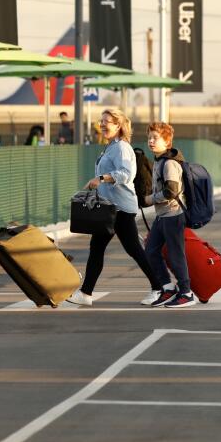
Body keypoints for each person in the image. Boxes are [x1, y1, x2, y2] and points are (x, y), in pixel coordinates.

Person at [67, 109, 165, 307]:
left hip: (120, 209)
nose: (102, 125)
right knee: (98, 248)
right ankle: (86, 293)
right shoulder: (111, 147)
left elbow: (126, 174)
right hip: (110, 208)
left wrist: (101, 178)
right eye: (101, 121)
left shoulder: (121, 148)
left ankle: (159, 288)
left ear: (118, 126)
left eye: (107, 122)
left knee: (134, 249)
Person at [142, 121, 195, 308]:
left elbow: (171, 191)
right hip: (163, 215)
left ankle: (186, 293)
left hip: (174, 214)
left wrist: (150, 199)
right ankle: (168, 288)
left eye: (155, 138)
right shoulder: (159, 161)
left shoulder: (170, 163)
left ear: (167, 141)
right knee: (150, 251)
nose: (151, 141)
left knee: (175, 254)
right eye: (149, 137)